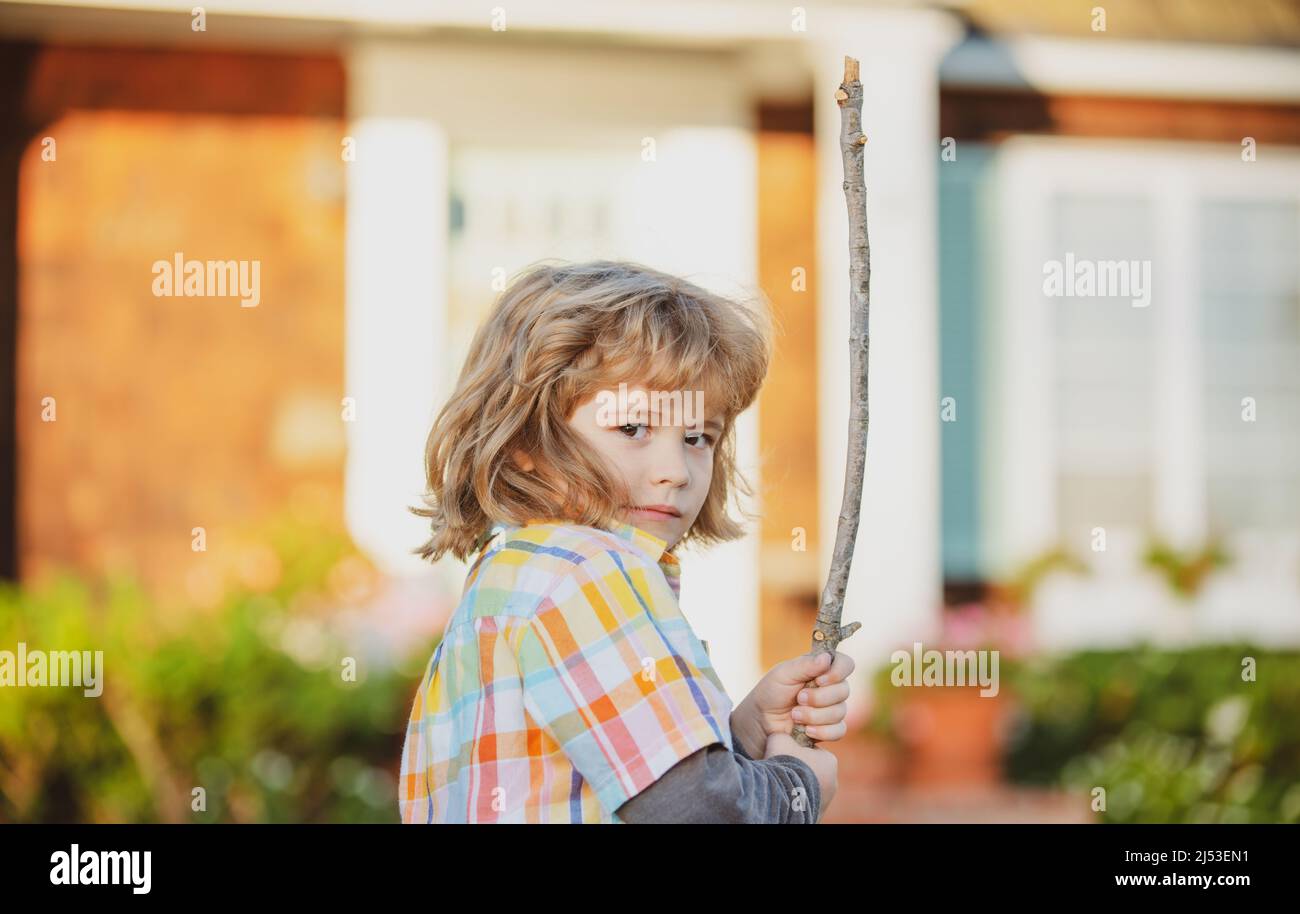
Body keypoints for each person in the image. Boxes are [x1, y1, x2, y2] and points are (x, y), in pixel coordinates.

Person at [399, 260, 853, 823]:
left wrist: (743, 732)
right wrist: (797, 786)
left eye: (697, 436)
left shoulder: (512, 577)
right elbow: (696, 812)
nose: (676, 470)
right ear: (526, 439)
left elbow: (598, 780)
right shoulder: (587, 573)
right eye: (633, 428)